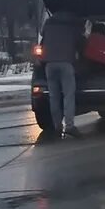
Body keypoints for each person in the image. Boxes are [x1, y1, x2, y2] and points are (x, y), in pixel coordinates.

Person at [41, 9, 86, 137]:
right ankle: (70, 126)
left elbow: (43, 41)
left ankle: (57, 126)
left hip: (49, 64)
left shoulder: (48, 24)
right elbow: (81, 44)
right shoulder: (72, 25)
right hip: (65, 63)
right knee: (68, 95)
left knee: (54, 96)